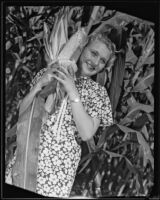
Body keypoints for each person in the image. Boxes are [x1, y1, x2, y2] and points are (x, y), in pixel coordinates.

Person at [5, 31, 116, 198]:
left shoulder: (97, 93)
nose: (95, 62)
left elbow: (87, 133)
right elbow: (23, 115)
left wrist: (72, 91)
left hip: (59, 172)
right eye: (94, 53)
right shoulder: (50, 72)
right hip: (27, 156)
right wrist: (40, 85)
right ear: (82, 47)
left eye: (102, 61)